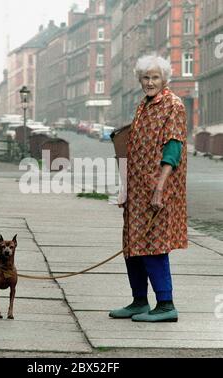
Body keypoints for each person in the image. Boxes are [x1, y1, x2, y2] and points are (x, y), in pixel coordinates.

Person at [109, 55, 187, 322]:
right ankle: (139, 301)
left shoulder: (172, 105)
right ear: (140, 80)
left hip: (158, 189)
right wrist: (125, 187)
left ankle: (166, 305)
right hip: (137, 190)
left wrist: (159, 189)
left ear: (164, 79)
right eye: (146, 77)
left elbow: (173, 148)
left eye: (155, 77)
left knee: (154, 246)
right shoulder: (144, 105)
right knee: (133, 245)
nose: (150, 82)